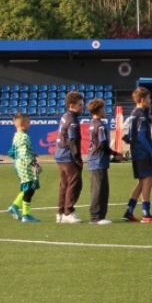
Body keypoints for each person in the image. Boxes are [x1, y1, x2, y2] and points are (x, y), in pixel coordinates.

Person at [122, 87, 152, 223]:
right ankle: (146, 214)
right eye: (149, 98)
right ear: (143, 100)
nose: (150, 101)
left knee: (142, 182)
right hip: (142, 153)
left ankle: (129, 210)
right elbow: (142, 136)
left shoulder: (133, 113)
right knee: (148, 182)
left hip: (136, 152)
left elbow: (131, 135)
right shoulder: (141, 115)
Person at [54, 90, 85, 223]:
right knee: (74, 182)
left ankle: (61, 212)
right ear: (71, 106)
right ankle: (68, 211)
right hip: (67, 155)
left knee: (64, 184)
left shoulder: (64, 116)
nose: (82, 107)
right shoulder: (72, 120)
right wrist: (77, 158)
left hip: (59, 154)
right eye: (79, 105)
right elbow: (73, 141)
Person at [5, 112, 42, 223]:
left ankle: (15, 206)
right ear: (22, 125)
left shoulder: (16, 136)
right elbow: (25, 153)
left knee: (28, 187)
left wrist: (32, 154)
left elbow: (12, 151)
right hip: (25, 164)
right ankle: (26, 214)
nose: (30, 124)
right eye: (28, 122)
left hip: (19, 163)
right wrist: (34, 164)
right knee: (30, 188)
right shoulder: (25, 137)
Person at [84, 98, 113, 224]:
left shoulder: (92, 123)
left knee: (101, 188)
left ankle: (100, 215)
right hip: (98, 160)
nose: (104, 110)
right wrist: (114, 154)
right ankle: (96, 217)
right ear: (99, 109)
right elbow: (102, 144)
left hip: (95, 159)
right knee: (99, 189)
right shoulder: (100, 125)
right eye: (103, 108)